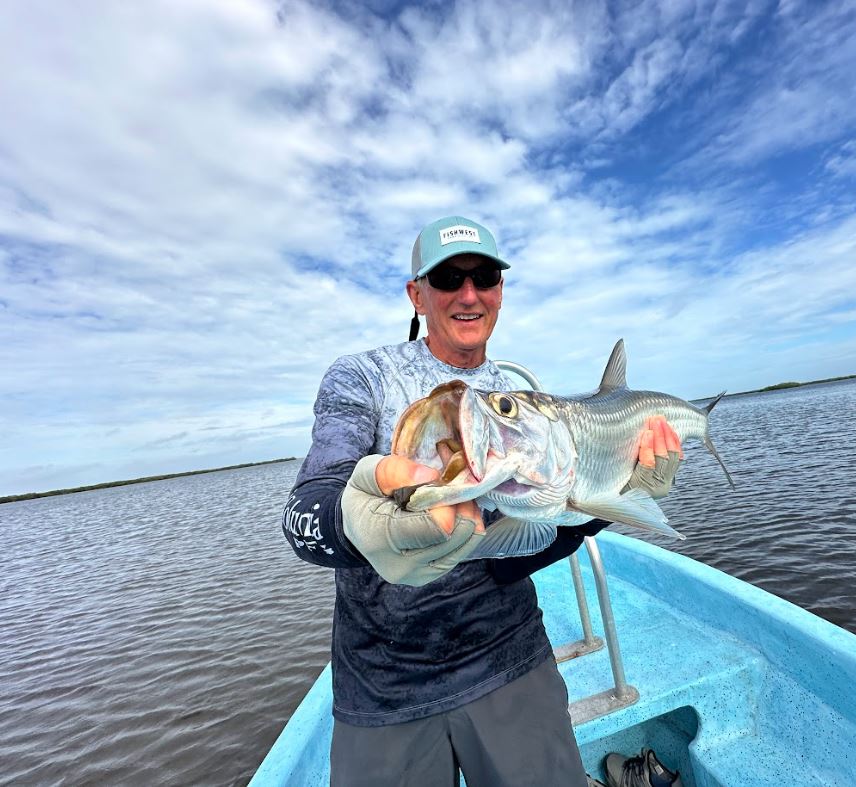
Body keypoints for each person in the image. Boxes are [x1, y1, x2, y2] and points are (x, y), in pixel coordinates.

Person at [283, 216, 682, 787]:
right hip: (382, 685)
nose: (468, 294)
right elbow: (304, 514)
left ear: (500, 291)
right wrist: (356, 526)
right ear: (416, 294)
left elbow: (516, 557)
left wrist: (605, 500)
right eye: (448, 278)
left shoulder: (522, 401)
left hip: (509, 656)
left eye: (484, 277)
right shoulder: (363, 377)